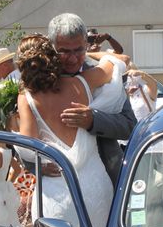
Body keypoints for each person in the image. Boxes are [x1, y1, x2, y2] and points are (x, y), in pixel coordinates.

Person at [17, 34, 121, 227]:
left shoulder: (25, 98)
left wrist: (44, 165)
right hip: (95, 189)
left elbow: (27, 150)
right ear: (54, 58)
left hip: (55, 196)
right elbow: (117, 60)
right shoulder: (82, 83)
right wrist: (87, 52)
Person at [48, 13, 137, 186]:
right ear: (52, 47)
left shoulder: (106, 76)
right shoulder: (40, 80)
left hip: (106, 180)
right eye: (64, 51)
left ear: (86, 45)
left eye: (79, 50)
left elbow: (129, 125)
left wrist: (93, 120)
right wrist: (35, 166)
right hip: (58, 185)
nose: (73, 58)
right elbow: (25, 134)